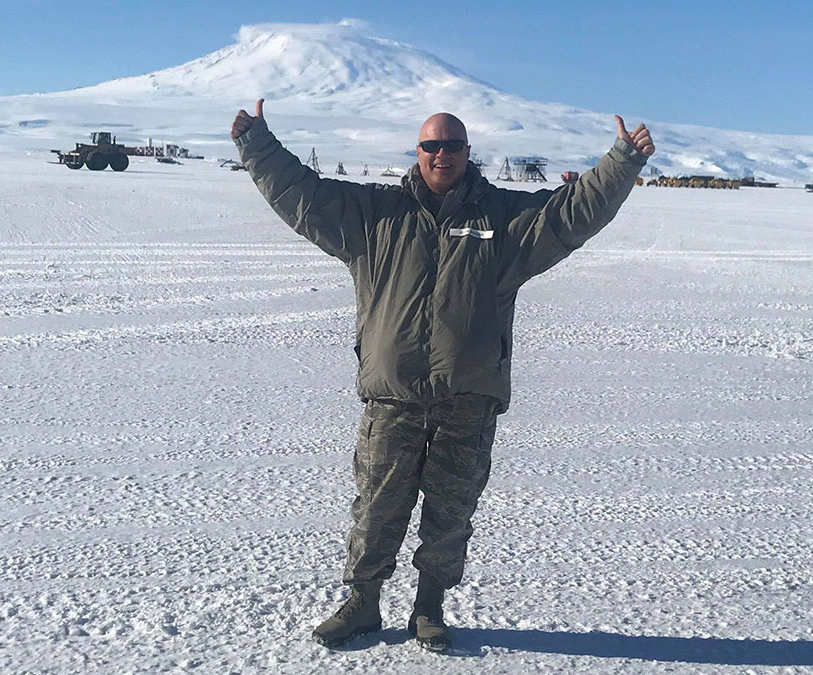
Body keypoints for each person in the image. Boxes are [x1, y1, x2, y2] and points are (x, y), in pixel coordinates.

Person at [230, 101, 654, 652]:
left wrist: (622, 161)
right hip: (393, 396)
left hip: (467, 397)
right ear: (418, 151)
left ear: (466, 153)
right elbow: (305, 195)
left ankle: (429, 607)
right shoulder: (374, 215)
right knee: (376, 508)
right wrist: (258, 143)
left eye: (452, 145)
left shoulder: (501, 220)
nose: (441, 154)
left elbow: (569, 214)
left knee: (450, 514)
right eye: (431, 145)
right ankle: (362, 603)